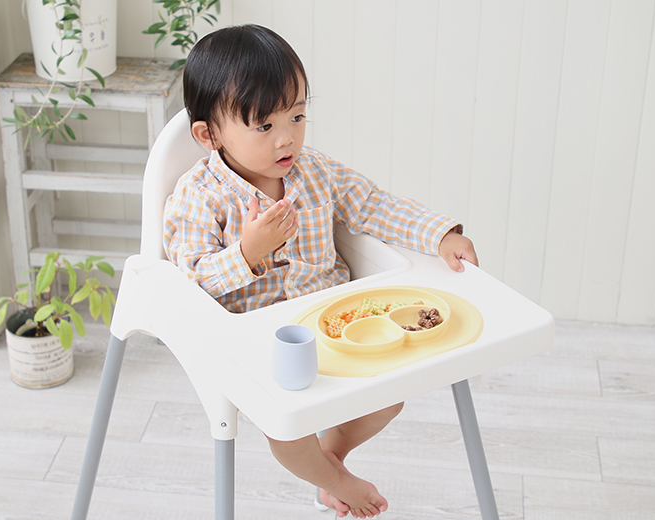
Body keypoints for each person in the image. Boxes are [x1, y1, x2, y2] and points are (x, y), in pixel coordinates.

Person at [164, 24, 478, 519]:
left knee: (391, 397)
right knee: (290, 432)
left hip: (335, 323)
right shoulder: (199, 196)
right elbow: (191, 280)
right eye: (264, 126)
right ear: (209, 135)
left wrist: (439, 233)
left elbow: (374, 206)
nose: (288, 137)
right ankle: (335, 480)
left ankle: (330, 462)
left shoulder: (315, 173)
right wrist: (248, 251)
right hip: (259, 345)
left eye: (298, 115)